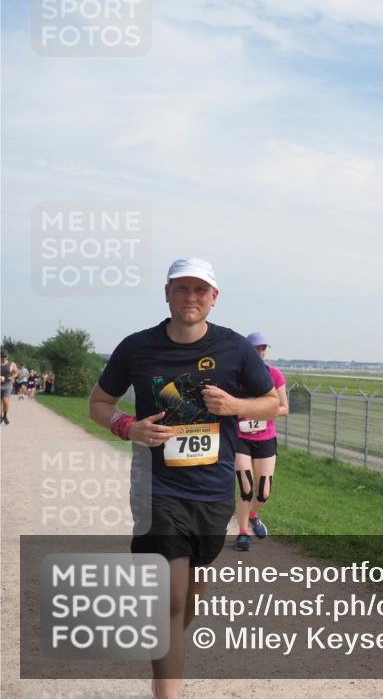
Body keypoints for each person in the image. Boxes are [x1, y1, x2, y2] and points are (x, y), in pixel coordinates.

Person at [89, 257, 279, 699]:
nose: (190, 298)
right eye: (182, 289)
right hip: (157, 487)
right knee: (169, 595)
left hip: (212, 492)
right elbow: (99, 403)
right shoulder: (137, 347)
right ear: (167, 293)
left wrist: (235, 406)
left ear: (213, 298)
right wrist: (128, 427)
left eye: (200, 290)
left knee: (186, 593)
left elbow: (270, 403)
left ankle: (167, 638)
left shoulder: (235, 348)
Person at [233, 332, 288, 552]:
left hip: (265, 440)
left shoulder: (273, 375)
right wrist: (240, 412)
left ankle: (253, 515)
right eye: (256, 348)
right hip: (241, 439)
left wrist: (260, 412)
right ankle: (243, 533)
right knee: (246, 488)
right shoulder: (236, 377)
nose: (260, 352)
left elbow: (284, 408)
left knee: (263, 492)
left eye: (263, 348)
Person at [0, 351, 15, 424]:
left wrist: (12, 377)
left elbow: (16, 372)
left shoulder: (11, 364)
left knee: (5, 401)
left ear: (7, 357)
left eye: (5, 356)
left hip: (8, 384)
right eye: (2, 356)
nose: (3, 358)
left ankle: (5, 415)